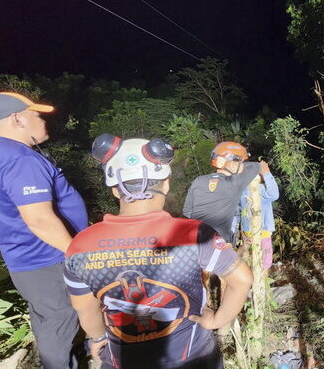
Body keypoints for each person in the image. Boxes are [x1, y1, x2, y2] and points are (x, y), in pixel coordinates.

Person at [64, 135, 253, 368]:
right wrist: (215, 320)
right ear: (165, 183)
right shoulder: (193, 234)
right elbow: (242, 280)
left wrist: (98, 337)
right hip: (193, 359)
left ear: (115, 190)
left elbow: (86, 309)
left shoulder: (80, 245)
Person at [0, 92, 87, 369]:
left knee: (48, 323)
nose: (43, 120)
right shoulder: (18, 159)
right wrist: (79, 254)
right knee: (59, 325)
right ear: (17, 119)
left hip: (24, 258)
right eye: (37, 114)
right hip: (48, 259)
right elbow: (40, 221)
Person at [183, 142, 260, 244]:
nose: (242, 165)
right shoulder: (235, 183)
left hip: (193, 241)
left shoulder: (198, 180)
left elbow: (187, 212)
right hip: (217, 245)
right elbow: (256, 166)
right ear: (232, 164)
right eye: (241, 162)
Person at [237, 160, 279, 269]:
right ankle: (261, 278)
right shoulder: (259, 190)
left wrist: (239, 230)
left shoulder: (241, 191)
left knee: (249, 258)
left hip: (247, 232)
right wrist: (267, 172)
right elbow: (274, 194)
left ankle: (250, 277)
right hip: (262, 232)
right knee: (265, 259)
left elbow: (238, 211)